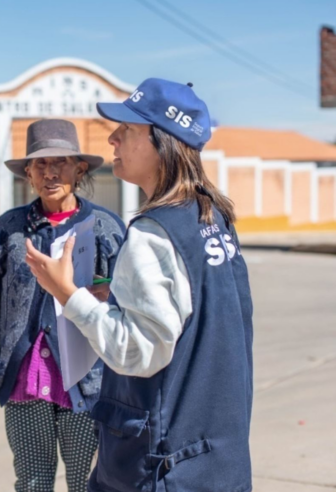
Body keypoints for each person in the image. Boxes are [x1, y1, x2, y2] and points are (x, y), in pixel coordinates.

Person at [25, 79, 253, 492]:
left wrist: (69, 295)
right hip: (215, 458)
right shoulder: (212, 218)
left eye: (127, 130)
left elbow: (138, 351)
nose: (112, 137)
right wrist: (115, 300)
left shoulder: (153, 232)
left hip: (161, 467)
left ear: (162, 142)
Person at [0, 119, 125, 492]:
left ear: (79, 169)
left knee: (89, 481)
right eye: (40, 165)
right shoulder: (9, 228)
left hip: (90, 381)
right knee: (33, 481)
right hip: (24, 380)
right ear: (29, 174)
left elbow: (130, 306)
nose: (50, 173)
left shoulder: (106, 228)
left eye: (61, 163)